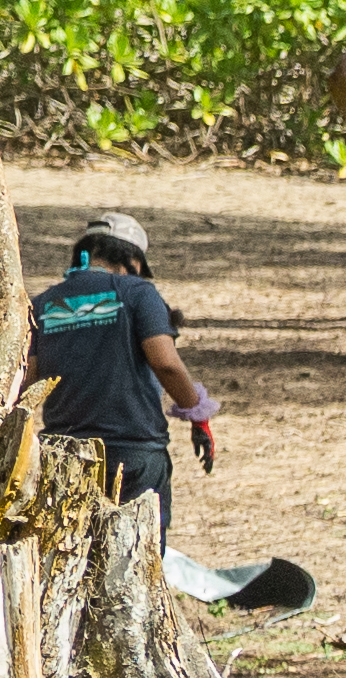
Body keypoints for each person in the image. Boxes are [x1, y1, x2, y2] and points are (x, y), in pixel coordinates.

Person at [29, 216, 215, 532]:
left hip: (63, 452)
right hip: (132, 453)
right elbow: (166, 362)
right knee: (135, 558)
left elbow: (27, 377)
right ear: (132, 260)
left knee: (71, 560)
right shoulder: (139, 292)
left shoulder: (43, 303)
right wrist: (198, 415)